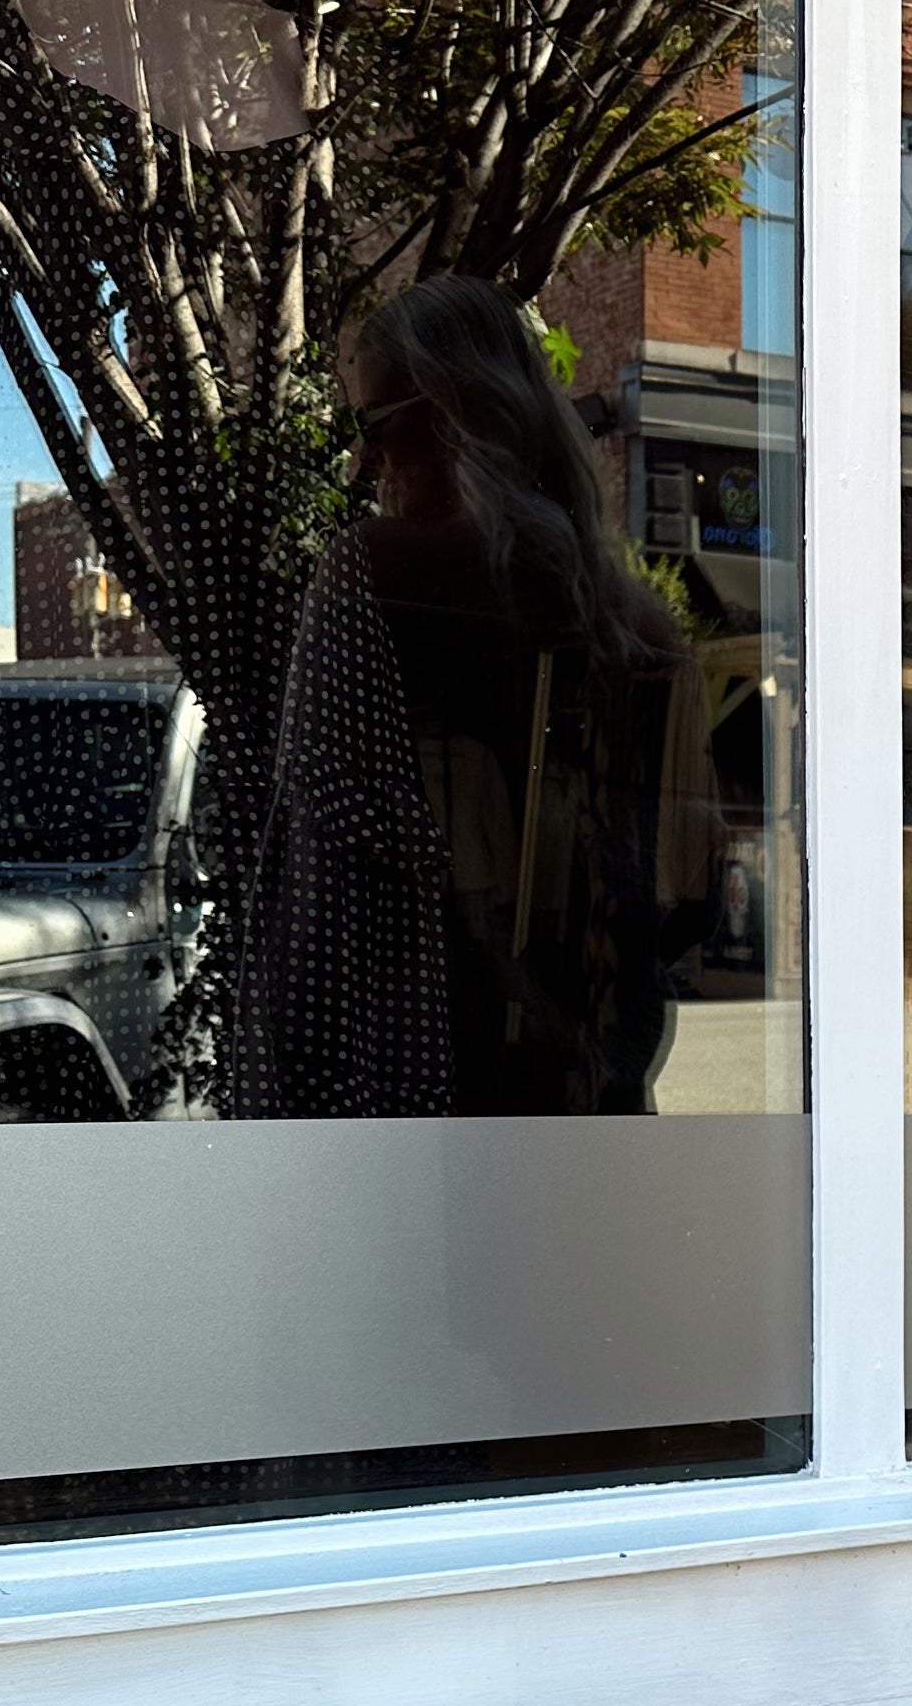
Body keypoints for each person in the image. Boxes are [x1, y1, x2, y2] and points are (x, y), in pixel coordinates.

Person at [247, 276, 712, 1115]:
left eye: (375, 424)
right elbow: (683, 893)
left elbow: (318, 885)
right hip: (585, 1096)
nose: (366, 461)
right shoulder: (636, 618)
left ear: (450, 413)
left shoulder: (370, 573)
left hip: (410, 1104)